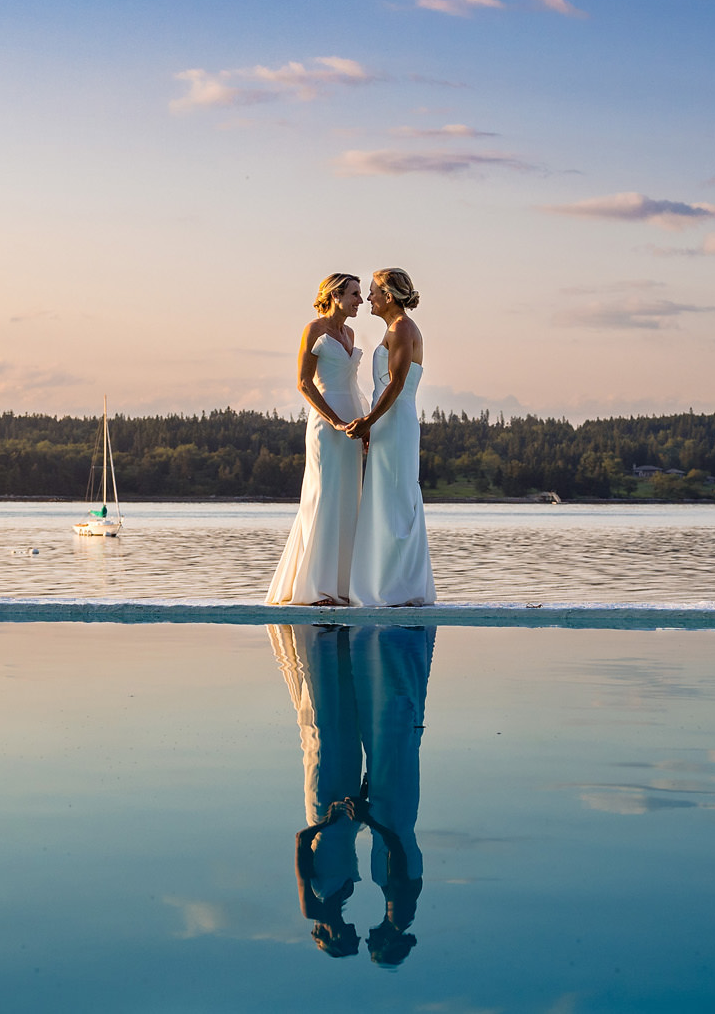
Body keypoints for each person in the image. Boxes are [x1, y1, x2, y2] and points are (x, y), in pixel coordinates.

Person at [270, 623, 433, 966]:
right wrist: (367, 816)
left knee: (328, 737)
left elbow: (302, 842)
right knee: (367, 738)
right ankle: (355, 644)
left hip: (330, 814)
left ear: (333, 937)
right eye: (369, 944)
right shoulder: (399, 909)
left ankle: (329, 644)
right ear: (387, 940)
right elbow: (398, 852)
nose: (362, 936)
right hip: (379, 815)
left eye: (353, 941)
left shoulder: (315, 905)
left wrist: (337, 820)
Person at [265, 273, 366, 606]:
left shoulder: (350, 333)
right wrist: (334, 420)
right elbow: (304, 383)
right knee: (323, 496)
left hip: (351, 423)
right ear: (335, 295)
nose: (360, 301)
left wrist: (364, 428)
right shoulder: (313, 330)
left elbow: (353, 386)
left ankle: (341, 587)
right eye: (354, 294)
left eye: (361, 294)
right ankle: (316, 589)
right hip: (326, 425)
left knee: (348, 499)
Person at [344, 268, 435, 607]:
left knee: (396, 501)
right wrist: (372, 424)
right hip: (389, 420)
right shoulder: (396, 329)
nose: (368, 298)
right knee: (385, 499)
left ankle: (398, 590)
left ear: (388, 295)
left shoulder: (402, 329)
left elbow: (396, 385)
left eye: (372, 292)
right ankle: (388, 584)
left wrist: (368, 421)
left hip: (395, 421)